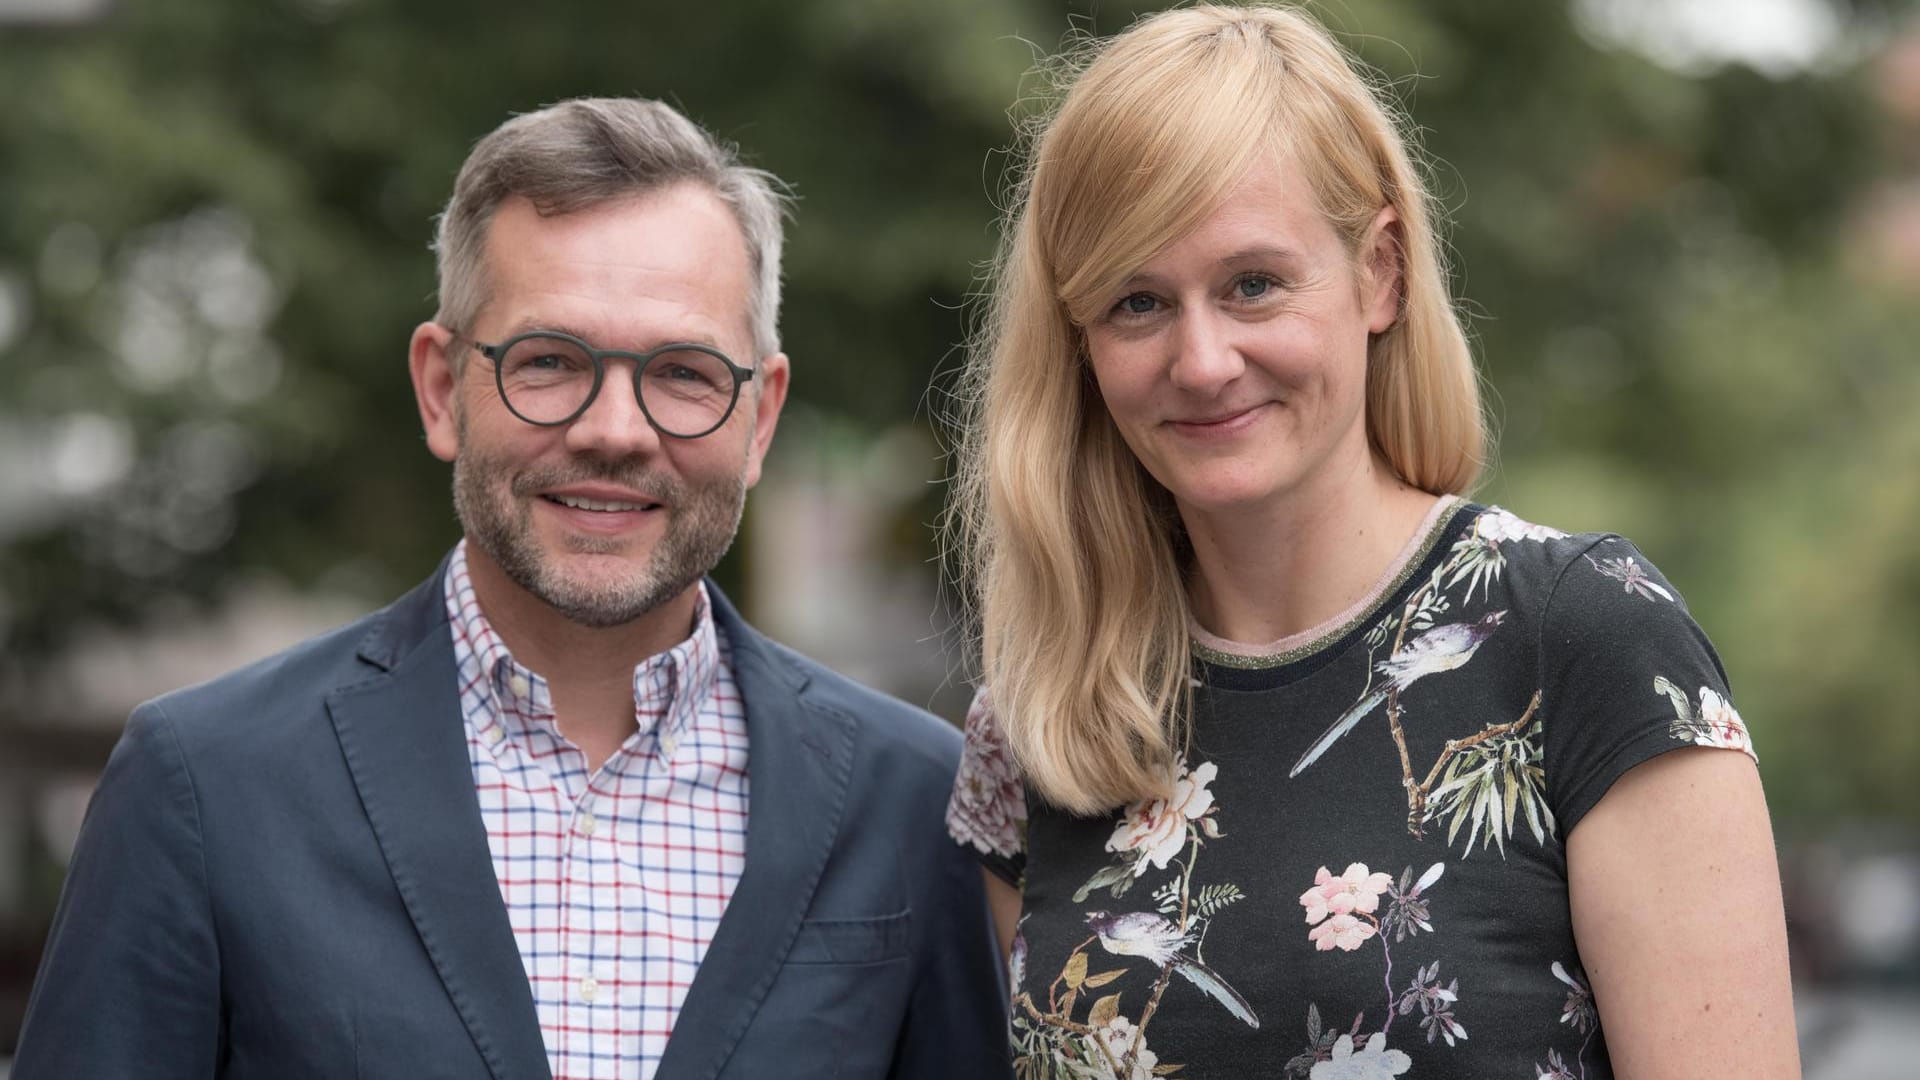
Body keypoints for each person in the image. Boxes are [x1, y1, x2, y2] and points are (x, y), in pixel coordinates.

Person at [16, 97, 1008, 1080]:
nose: (615, 430)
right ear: (443, 388)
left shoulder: (913, 799)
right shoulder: (206, 784)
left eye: (683, 373)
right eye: (548, 361)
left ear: (759, 418)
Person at [943, 6, 1799, 1078]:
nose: (1202, 360)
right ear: (1081, 345)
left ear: (1380, 273)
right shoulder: (1039, 717)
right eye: (1138, 302)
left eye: (1253, 283)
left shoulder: (1584, 635)